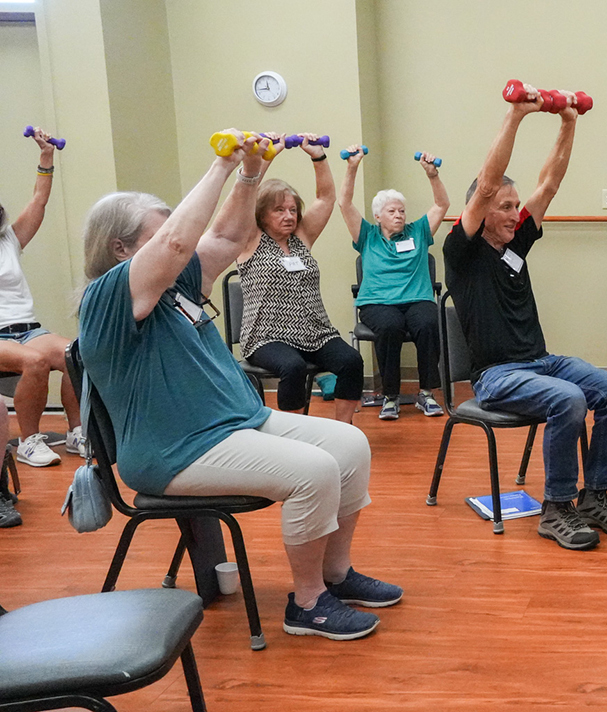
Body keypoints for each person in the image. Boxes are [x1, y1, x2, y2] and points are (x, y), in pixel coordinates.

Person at [78, 131, 400, 641]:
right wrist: (223, 165)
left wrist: (252, 171)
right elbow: (180, 241)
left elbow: (225, 239)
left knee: (351, 444)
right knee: (314, 471)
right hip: (175, 449)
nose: (174, 248)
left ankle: (336, 575)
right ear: (121, 249)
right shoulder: (107, 301)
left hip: (236, 424)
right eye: (158, 239)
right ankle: (308, 602)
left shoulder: (175, 285)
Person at [443, 88, 607, 551]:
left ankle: (595, 496)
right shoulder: (462, 252)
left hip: (541, 362)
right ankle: (556, 508)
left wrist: (569, 121)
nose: (515, 213)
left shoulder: (515, 244)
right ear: (481, 212)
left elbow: (548, 183)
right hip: (496, 375)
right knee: (569, 400)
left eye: (515, 207)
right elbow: (486, 183)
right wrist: (516, 116)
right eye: (505, 207)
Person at [237, 134, 364, 423]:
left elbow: (325, 198)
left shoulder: (301, 239)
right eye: (279, 210)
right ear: (262, 214)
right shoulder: (250, 240)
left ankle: (343, 429)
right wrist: (266, 157)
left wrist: (318, 156)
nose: (289, 216)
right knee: (292, 367)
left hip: (314, 331)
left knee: (351, 361)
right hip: (266, 335)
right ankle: (296, 432)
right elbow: (246, 193)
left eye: (293, 209)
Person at [338, 145, 449, 420]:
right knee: (389, 326)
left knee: (427, 322)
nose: (399, 215)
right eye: (391, 211)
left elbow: (442, 205)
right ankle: (390, 396)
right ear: (378, 216)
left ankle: (426, 393)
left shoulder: (419, 232)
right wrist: (351, 167)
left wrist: (432, 175)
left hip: (417, 299)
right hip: (377, 303)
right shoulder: (367, 236)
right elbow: (344, 204)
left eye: (401, 210)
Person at [0, 126, 83, 466]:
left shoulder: (9, 241)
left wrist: (46, 155)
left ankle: (79, 432)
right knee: (33, 362)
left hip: (28, 330)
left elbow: (39, 199)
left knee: (76, 352)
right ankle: (29, 441)